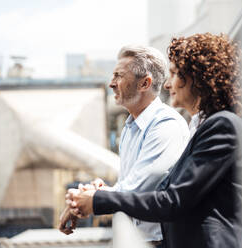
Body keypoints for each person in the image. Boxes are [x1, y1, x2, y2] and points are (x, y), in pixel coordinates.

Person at [67, 33, 242, 248]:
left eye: (173, 74)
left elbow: (172, 200)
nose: (167, 85)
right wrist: (102, 193)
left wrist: (99, 199)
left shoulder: (222, 126)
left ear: (196, 77)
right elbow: (161, 190)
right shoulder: (201, 127)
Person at [61, 45, 190, 246]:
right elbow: (129, 187)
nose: (111, 83)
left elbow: (137, 189)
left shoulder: (167, 125)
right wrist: (100, 191)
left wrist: (89, 198)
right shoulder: (130, 128)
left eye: (118, 76)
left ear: (144, 83)